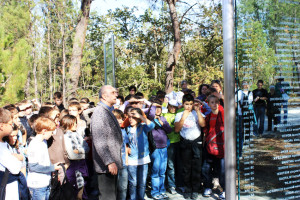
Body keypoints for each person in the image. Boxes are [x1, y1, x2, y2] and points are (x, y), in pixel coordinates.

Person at [90, 85, 123, 200]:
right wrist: (109, 161)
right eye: (113, 92)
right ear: (104, 96)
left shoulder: (106, 111)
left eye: (116, 92)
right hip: (106, 167)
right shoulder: (99, 113)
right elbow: (99, 141)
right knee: (108, 197)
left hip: (110, 165)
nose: (116, 95)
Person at [174, 94, 205, 199]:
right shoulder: (179, 114)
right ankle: (187, 189)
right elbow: (177, 129)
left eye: (191, 104)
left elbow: (203, 124)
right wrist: (183, 117)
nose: (188, 106)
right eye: (186, 104)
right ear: (183, 104)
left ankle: (195, 189)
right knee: (186, 168)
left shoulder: (197, 113)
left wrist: (197, 111)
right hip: (185, 143)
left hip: (196, 143)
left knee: (196, 167)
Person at [27, 117, 61, 200]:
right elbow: (33, 166)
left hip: (45, 182)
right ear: (44, 131)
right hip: (37, 185)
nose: (52, 134)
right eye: (51, 132)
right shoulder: (34, 144)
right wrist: (52, 168)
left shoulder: (43, 142)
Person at [126, 108, 155, 200]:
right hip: (131, 159)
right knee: (133, 183)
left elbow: (152, 125)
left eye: (133, 117)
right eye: (129, 117)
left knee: (142, 183)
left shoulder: (143, 126)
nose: (131, 119)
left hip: (143, 158)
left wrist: (140, 116)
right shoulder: (127, 128)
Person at [147, 100, 172, 199]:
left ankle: (162, 190)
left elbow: (169, 130)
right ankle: (155, 192)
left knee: (162, 171)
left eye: (159, 108)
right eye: (155, 108)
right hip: (155, 148)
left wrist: (162, 123)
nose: (157, 110)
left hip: (164, 147)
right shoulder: (149, 119)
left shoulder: (163, 118)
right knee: (155, 171)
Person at [202, 95, 225, 199]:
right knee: (206, 168)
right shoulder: (208, 116)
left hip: (222, 146)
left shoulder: (223, 114)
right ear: (209, 104)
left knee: (222, 170)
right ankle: (207, 186)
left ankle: (224, 189)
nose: (214, 104)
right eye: (212, 102)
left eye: (216, 102)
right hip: (210, 146)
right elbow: (205, 130)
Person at [61, 115, 90, 200]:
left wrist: (80, 151)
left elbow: (87, 148)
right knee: (75, 189)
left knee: (83, 187)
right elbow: (72, 155)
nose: (76, 125)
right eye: (73, 123)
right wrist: (83, 151)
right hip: (73, 166)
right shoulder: (66, 136)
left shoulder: (77, 135)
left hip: (82, 164)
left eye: (76, 123)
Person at [0, 108, 23, 200]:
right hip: (6, 190)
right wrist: (17, 158)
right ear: (1, 126)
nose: (12, 126)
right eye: (10, 124)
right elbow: (16, 168)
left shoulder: (4, 144)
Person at [162, 99, 183, 194]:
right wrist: (165, 102)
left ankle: (180, 184)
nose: (173, 108)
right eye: (171, 106)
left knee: (179, 164)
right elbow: (160, 110)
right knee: (170, 165)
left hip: (179, 142)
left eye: (175, 106)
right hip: (169, 143)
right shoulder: (164, 115)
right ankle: (171, 185)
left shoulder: (179, 113)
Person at [112, 109, 130, 200]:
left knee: (123, 187)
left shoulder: (123, 131)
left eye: (121, 118)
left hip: (123, 163)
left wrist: (126, 160)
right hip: (113, 164)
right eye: (117, 119)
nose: (120, 121)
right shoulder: (110, 132)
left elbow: (126, 146)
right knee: (114, 188)